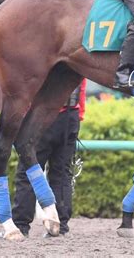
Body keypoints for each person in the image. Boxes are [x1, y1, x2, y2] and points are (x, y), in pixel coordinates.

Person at [12, 80, 86, 237]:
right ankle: (62, 226)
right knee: (62, 173)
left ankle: (21, 225)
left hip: (42, 114)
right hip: (70, 116)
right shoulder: (77, 55)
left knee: (28, 171)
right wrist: (78, 115)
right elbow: (82, 84)